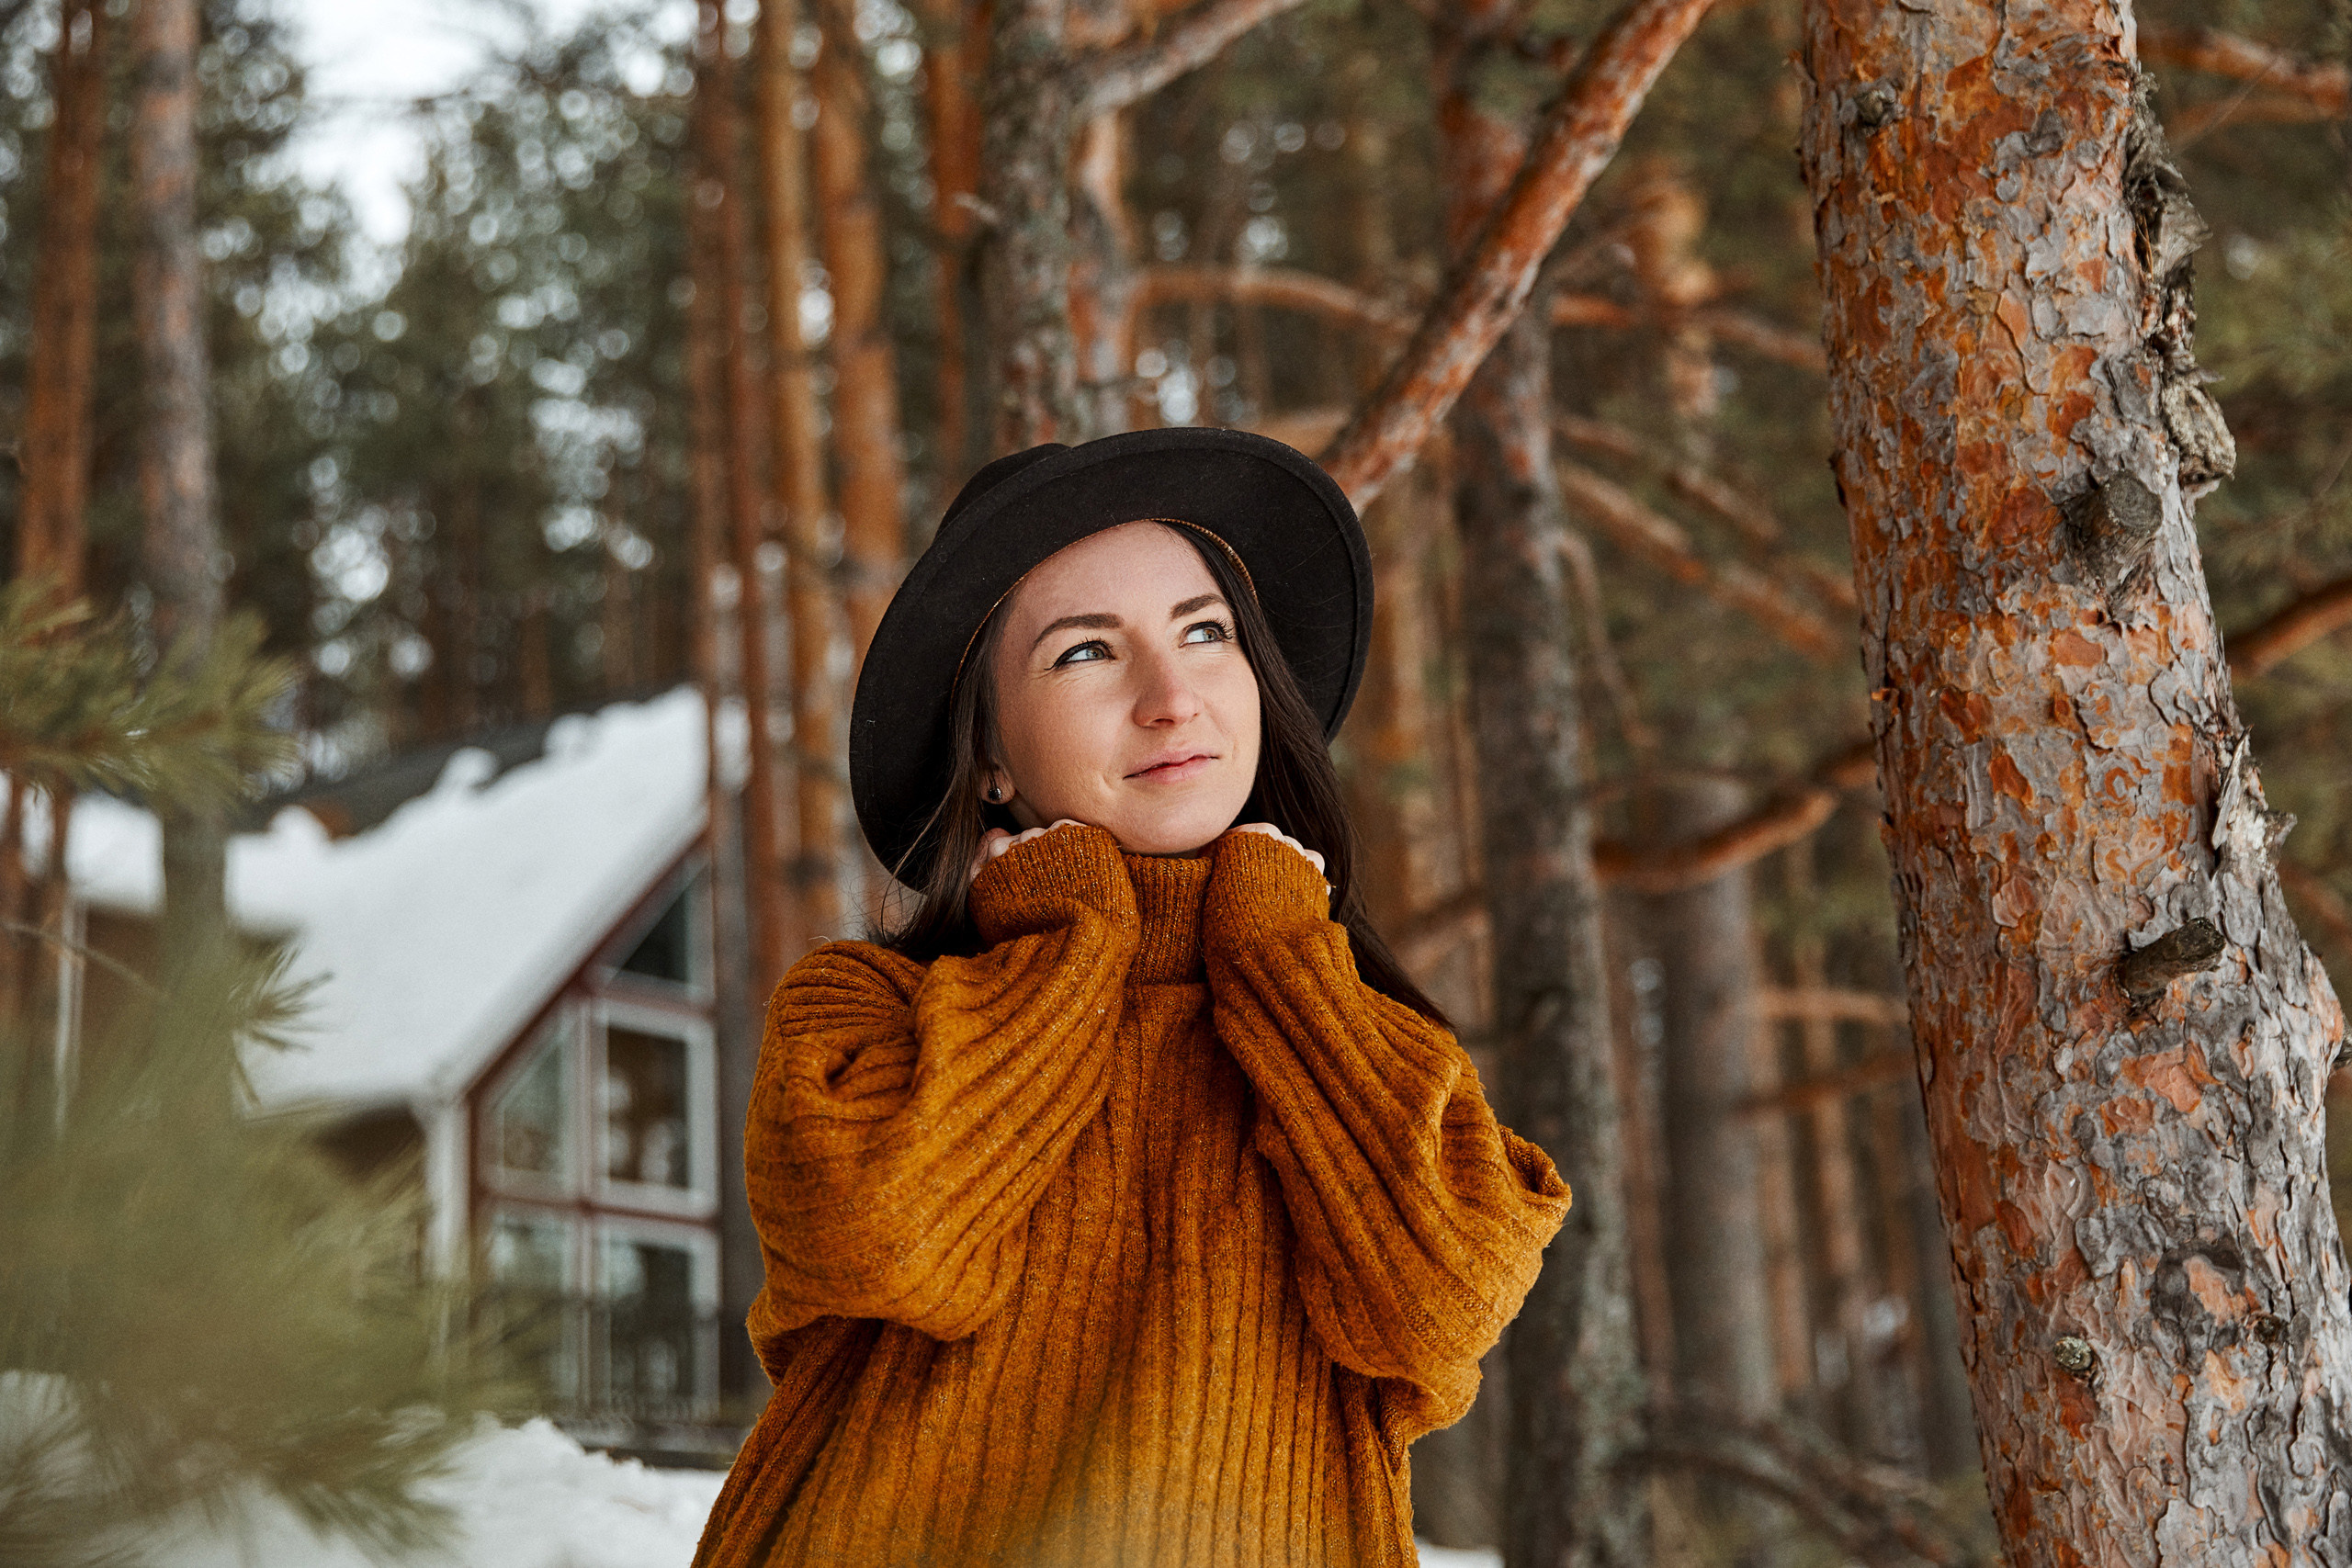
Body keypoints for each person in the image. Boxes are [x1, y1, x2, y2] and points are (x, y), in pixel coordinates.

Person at [693, 428, 1569, 1568]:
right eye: (1084, 654)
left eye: (1204, 633)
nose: (1170, 698)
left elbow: (1437, 1307)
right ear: (992, 754)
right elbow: (888, 1242)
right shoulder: (860, 1012)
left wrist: (1277, 959)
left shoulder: (1361, 1034)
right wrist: (1069, 938)